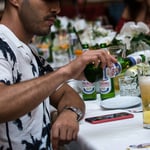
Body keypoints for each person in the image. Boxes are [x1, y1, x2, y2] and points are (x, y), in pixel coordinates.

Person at [0, 0, 116, 150]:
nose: (57, 9)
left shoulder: (27, 51)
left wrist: (69, 113)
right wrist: (66, 72)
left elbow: (67, 94)